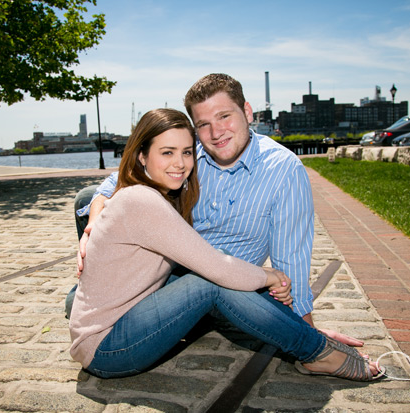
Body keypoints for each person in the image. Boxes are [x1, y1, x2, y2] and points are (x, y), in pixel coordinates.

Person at [69, 107, 383, 381]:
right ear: (142, 156)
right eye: (167, 152)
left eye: (187, 152)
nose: (180, 163)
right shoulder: (141, 200)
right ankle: (317, 352)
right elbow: (217, 269)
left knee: (222, 269)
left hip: (128, 319)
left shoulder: (155, 195)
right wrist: (271, 276)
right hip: (107, 348)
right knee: (212, 280)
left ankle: (310, 341)